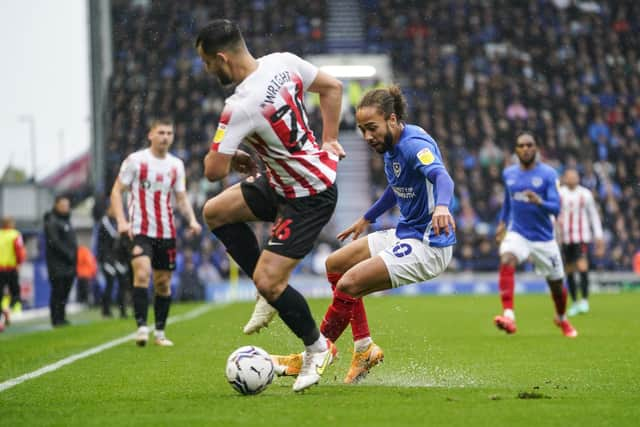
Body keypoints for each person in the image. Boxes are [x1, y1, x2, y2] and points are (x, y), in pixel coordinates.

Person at [195, 19, 345, 392]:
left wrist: (231, 155)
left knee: (268, 278)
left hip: (309, 195)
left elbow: (212, 170)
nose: (206, 70)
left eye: (206, 63)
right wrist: (329, 140)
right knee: (215, 212)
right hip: (284, 181)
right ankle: (268, 294)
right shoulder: (283, 62)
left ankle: (317, 347)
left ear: (221, 58)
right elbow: (333, 87)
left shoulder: (240, 105)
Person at [272, 86, 457, 383]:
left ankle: (316, 353)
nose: (367, 136)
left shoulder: (414, 144)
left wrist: (443, 207)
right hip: (407, 233)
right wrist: (366, 218)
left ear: (392, 119)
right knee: (335, 264)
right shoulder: (390, 145)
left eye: (372, 128)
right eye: (362, 130)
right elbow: (395, 187)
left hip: (429, 244)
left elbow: (441, 176)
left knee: (349, 283)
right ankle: (364, 348)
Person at [110, 118, 202, 347]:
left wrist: (191, 219)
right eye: (161, 132)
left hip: (166, 232)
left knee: (163, 283)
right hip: (139, 230)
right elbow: (116, 191)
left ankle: (160, 333)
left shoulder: (176, 165)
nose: (165, 137)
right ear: (150, 134)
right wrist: (122, 221)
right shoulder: (136, 161)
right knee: (141, 273)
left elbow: (180, 197)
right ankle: (142, 327)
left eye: (169, 133)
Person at [493, 132, 577, 337]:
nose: (525, 149)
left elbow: (556, 208)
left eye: (529, 145)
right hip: (518, 232)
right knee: (507, 258)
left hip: (544, 239)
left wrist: (539, 201)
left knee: (557, 285)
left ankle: (562, 319)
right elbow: (508, 200)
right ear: (516, 150)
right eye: (521, 145)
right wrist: (503, 222)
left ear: (536, 148)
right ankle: (509, 316)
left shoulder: (548, 174)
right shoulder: (509, 174)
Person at [558, 168, 604, 316]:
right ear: (565, 178)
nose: (573, 178)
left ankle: (584, 300)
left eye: (575, 176)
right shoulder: (559, 194)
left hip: (581, 236)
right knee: (569, 269)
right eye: (570, 176)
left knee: (582, 265)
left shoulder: (585, 194)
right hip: (565, 237)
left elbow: (594, 216)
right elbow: (554, 215)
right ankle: (575, 302)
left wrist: (598, 236)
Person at [43, 195, 78, 327]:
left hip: (69, 264)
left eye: (67, 205)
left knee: (65, 292)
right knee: (57, 291)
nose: (65, 207)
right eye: (63, 205)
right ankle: (55, 319)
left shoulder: (67, 221)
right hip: (57, 264)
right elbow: (55, 242)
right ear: (56, 205)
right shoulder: (52, 221)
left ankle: (62, 317)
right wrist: (69, 254)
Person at [97, 203, 132, 318]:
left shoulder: (118, 221)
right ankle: (105, 310)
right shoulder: (105, 222)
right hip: (108, 259)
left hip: (119, 259)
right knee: (110, 284)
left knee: (123, 284)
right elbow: (114, 235)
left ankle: (122, 311)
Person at [0, 216, 27, 330]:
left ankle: (3, 311)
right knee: (15, 293)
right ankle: (8, 310)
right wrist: (19, 263)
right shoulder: (15, 234)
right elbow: (19, 250)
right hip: (11, 268)